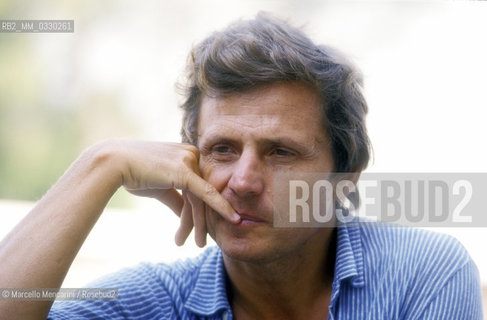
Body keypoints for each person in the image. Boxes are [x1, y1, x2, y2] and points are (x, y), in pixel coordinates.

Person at [0, 13, 483, 320]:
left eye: (281, 152)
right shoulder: (148, 302)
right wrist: (99, 165)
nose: (244, 182)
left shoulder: (422, 273)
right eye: (222, 150)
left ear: (344, 180)